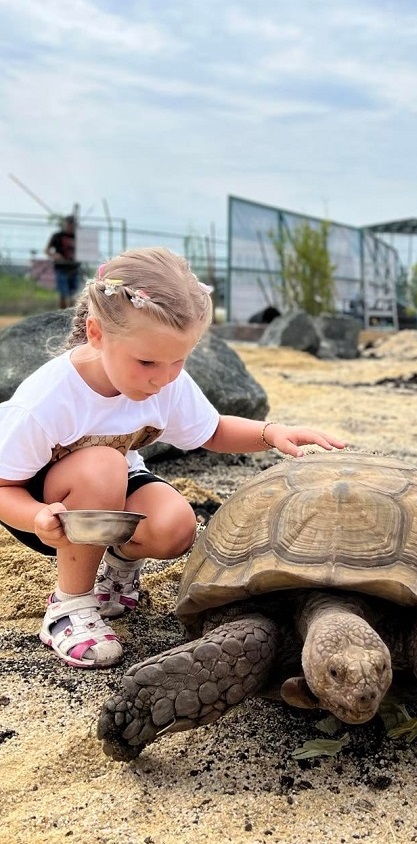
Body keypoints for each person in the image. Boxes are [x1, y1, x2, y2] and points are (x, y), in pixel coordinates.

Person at [0, 247, 346, 670]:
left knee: (176, 526)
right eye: (146, 361)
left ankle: (117, 567)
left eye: (178, 360)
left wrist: (269, 433)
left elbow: (212, 430)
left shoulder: (166, 380)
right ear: (96, 334)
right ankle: (69, 604)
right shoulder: (48, 401)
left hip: (109, 490)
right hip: (45, 510)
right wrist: (36, 516)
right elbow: (3, 486)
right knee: (104, 465)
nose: (163, 378)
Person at [45, 215, 81, 309]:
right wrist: (55, 256)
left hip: (74, 268)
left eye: (72, 224)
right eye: (68, 224)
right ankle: (62, 314)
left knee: (74, 294)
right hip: (61, 268)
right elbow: (47, 250)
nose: (70, 226)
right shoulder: (57, 236)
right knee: (63, 294)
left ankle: (72, 314)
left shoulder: (78, 237)